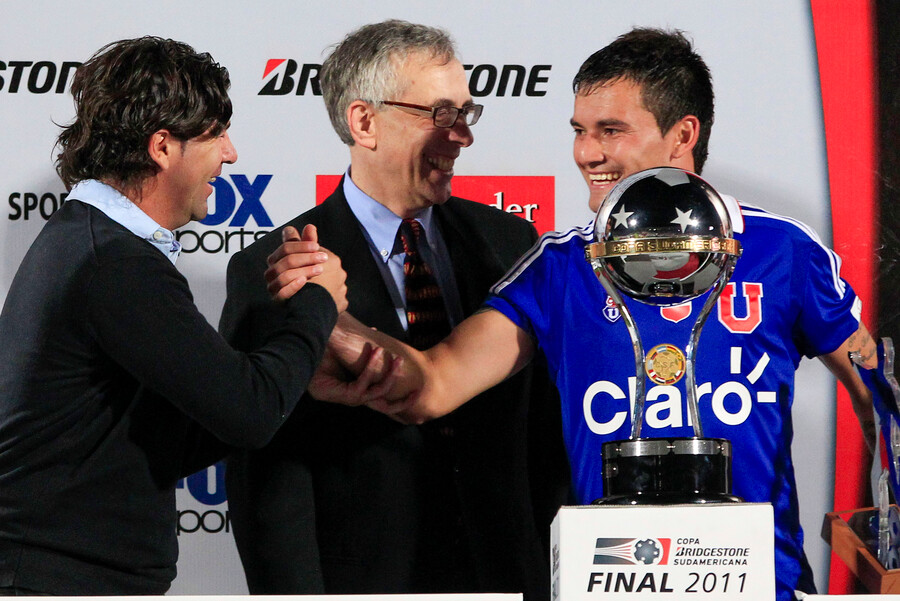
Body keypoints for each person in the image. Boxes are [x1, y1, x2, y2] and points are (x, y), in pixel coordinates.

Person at [320, 28, 877, 601]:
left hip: (767, 588)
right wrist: (323, 318)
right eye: (580, 131)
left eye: (611, 131)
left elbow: (876, 395)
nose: (587, 153)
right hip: (608, 584)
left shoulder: (783, 249)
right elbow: (432, 385)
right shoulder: (558, 267)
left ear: (682, 135)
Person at [219, 19, 569, 600]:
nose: (461, 136)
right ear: (364, 122)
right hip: (360, 585)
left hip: (506, 577)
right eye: (439, 114)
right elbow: (270, 482)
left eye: (466, 113)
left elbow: (543, 438)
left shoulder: (512, 244)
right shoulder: (277, 271)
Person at [0, 37, 347, 596]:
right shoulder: (114, 263)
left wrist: (293, 375)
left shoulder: (93, 244)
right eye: (215, 135)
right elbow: (248, 413)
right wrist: (318, 303)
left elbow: (178, 436)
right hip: (60, 583)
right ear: (162, 146)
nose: (231, 154)